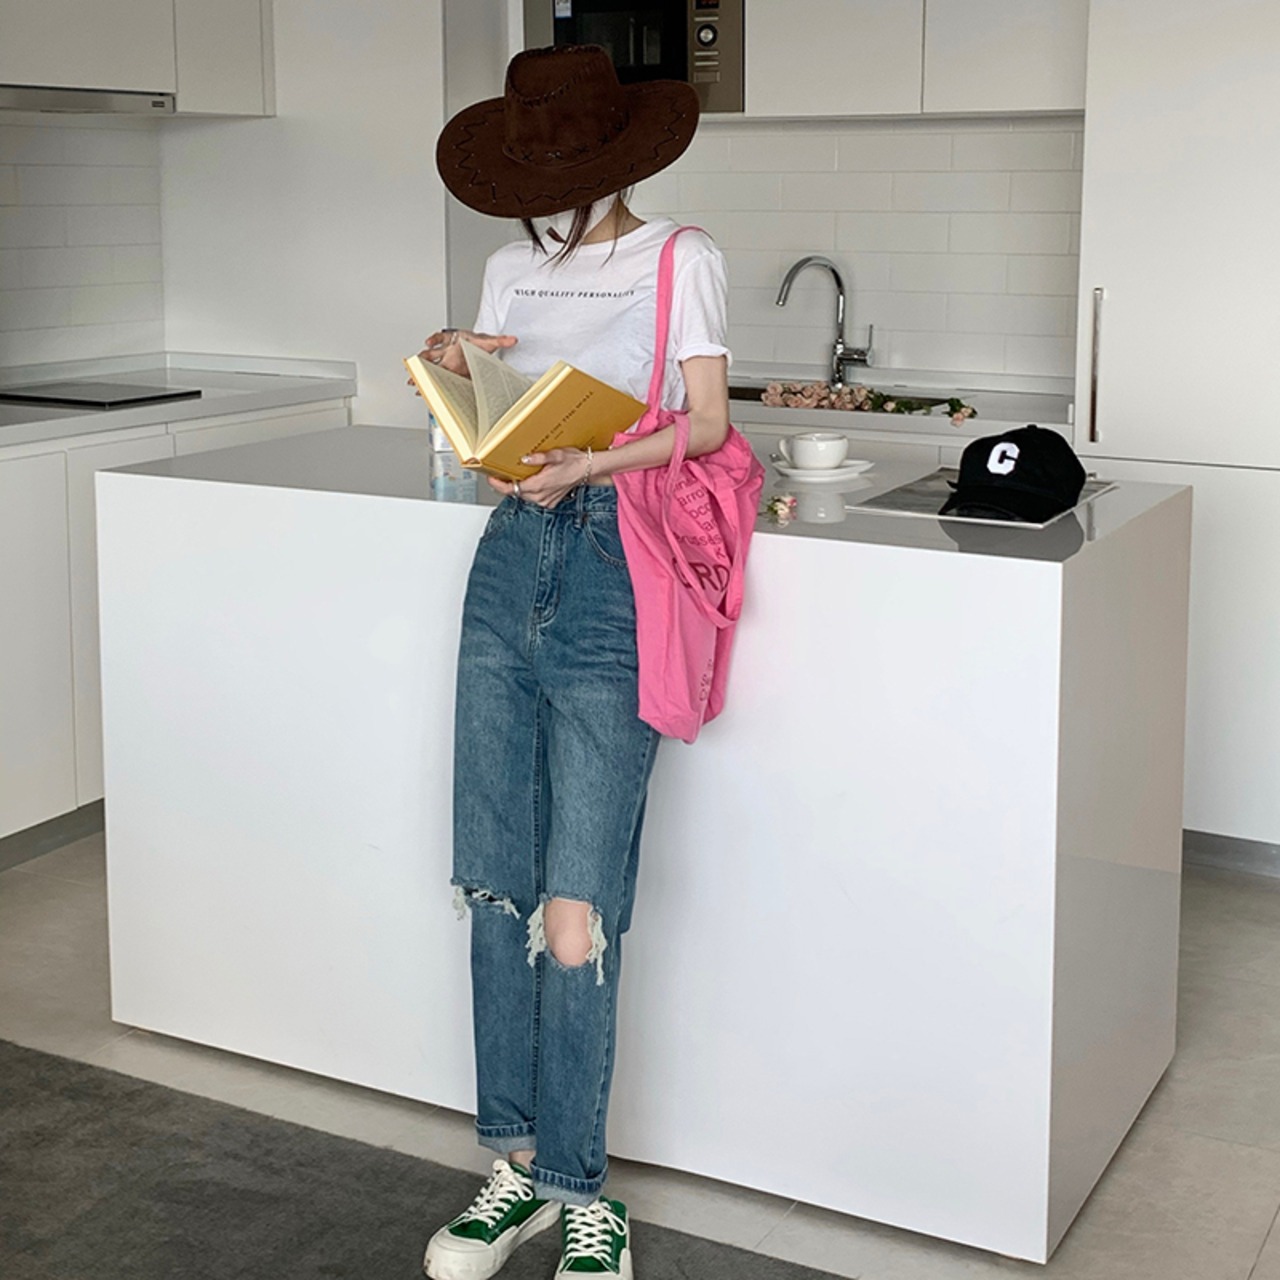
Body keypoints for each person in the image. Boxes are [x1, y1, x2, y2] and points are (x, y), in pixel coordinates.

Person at [418, 44, 731, 1280]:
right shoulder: (508, 267)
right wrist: (461, 376)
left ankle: (579, 1187)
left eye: (559, 171)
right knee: (493, 881)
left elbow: (706, 423)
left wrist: (589, 463)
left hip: (613, 565)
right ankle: (511, 1166)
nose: (541, 197)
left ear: (612, 158)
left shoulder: (679, 257)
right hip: (507, 555)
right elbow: (504, 416)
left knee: (573, 903)